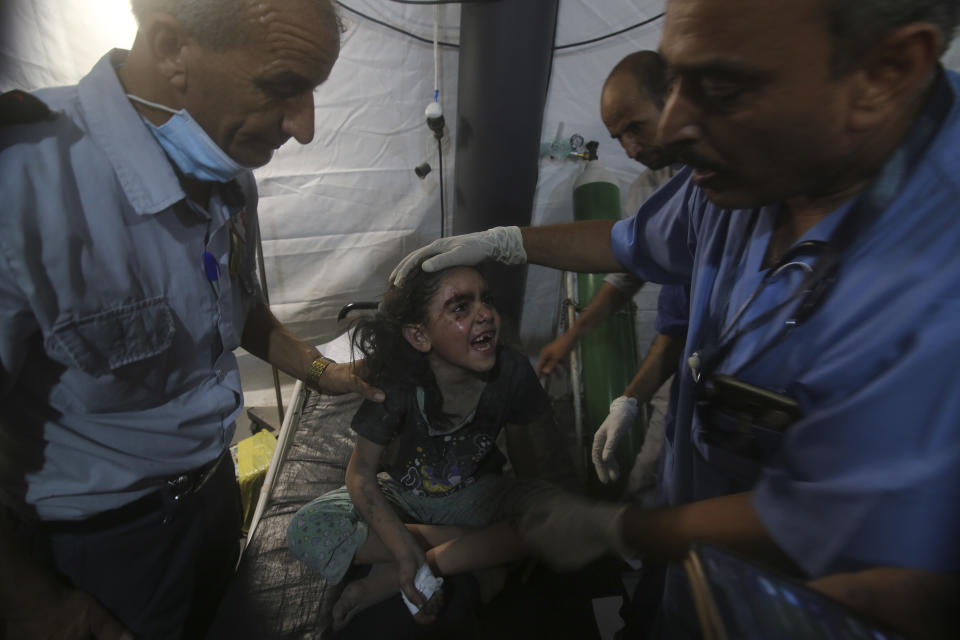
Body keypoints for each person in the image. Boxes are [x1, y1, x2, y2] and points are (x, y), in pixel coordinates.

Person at [390, 1, 960, 637]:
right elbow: (631, 241)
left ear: (885, 73)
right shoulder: (745, 165)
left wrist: (618, 527)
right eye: (676, 78)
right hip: (687, 541)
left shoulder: (935, 290)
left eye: (722, 86)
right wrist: (506, 241)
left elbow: (827, 530)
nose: (677, 122)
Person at [0, 1, 382, 638]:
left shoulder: (229, 173)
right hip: (95, 555)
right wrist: (34, 603)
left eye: (312, 91)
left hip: (211, 501)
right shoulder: (24, 187)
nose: (305, 127)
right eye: (284, 87)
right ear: (172, 46)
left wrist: (325, 372)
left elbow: (234, 305)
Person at [286, 263, 557, 630]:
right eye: (460, 307)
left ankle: (391, 579)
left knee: (553, 520)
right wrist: (402, 546)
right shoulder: (398, 384)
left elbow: (527, 463)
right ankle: (473, 553)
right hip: (403, 493)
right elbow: (361, 475)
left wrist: (536, 512)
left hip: (475, 495)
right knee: (307, 527)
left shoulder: (511, 371)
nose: (486, 314)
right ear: (419, 335)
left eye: (487, 300)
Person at [534, 51, 686, 499]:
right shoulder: (646, 190)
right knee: (651, 482)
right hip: (683, 367)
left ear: (675, 96)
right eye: (619, 138)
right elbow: (628, 272)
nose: (631, 149)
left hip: (727, 372)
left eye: (636, 128)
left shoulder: (725, 182)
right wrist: (572, 338)